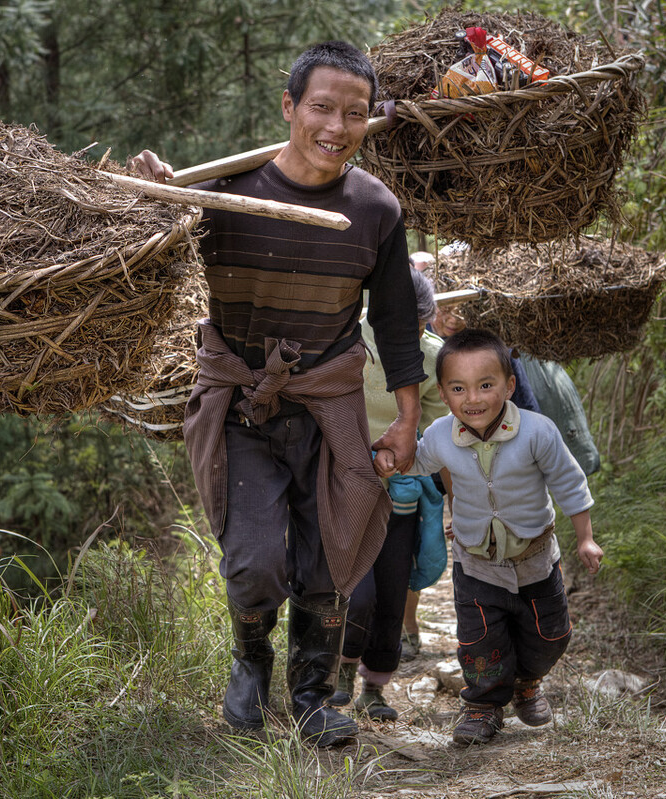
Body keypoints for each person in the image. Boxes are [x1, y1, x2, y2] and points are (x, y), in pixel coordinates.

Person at [129, 41, 426, 748]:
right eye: (321, 107)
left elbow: (393, 323)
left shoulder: (375, 209)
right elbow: (144, 248)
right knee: (256, 555)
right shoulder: (222, 192)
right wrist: (153, 190)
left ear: (368, 121)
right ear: (289, 107)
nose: (336, 125)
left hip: (329, 404)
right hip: (240, 404)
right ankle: (251, 660)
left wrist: (409, 417)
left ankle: (315, 692)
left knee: (331, 550)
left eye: (354, 113)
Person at [407, 328, 603, 746]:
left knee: (552, 635)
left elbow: (570, 483)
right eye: (458, 388)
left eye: (485, 385)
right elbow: (416, 462)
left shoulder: (538, 431)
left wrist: (584, 538)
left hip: (535, 559)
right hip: (475, 560)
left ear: (510, 385)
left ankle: (526, 681)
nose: (472, 399)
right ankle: (482, 706)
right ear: (443, 393)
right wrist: (391, 454)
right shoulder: (441, 435)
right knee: (480, 642)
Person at [328, 268, 447, 720]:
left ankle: (375, 688)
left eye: (417, 327)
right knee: (357, 592)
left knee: (392, 593)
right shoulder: (346, 340)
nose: (408, 334)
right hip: (349, 487)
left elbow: (440, 425)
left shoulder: (432, 357)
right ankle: (341, 671)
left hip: (401, 493)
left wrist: (409, 460)